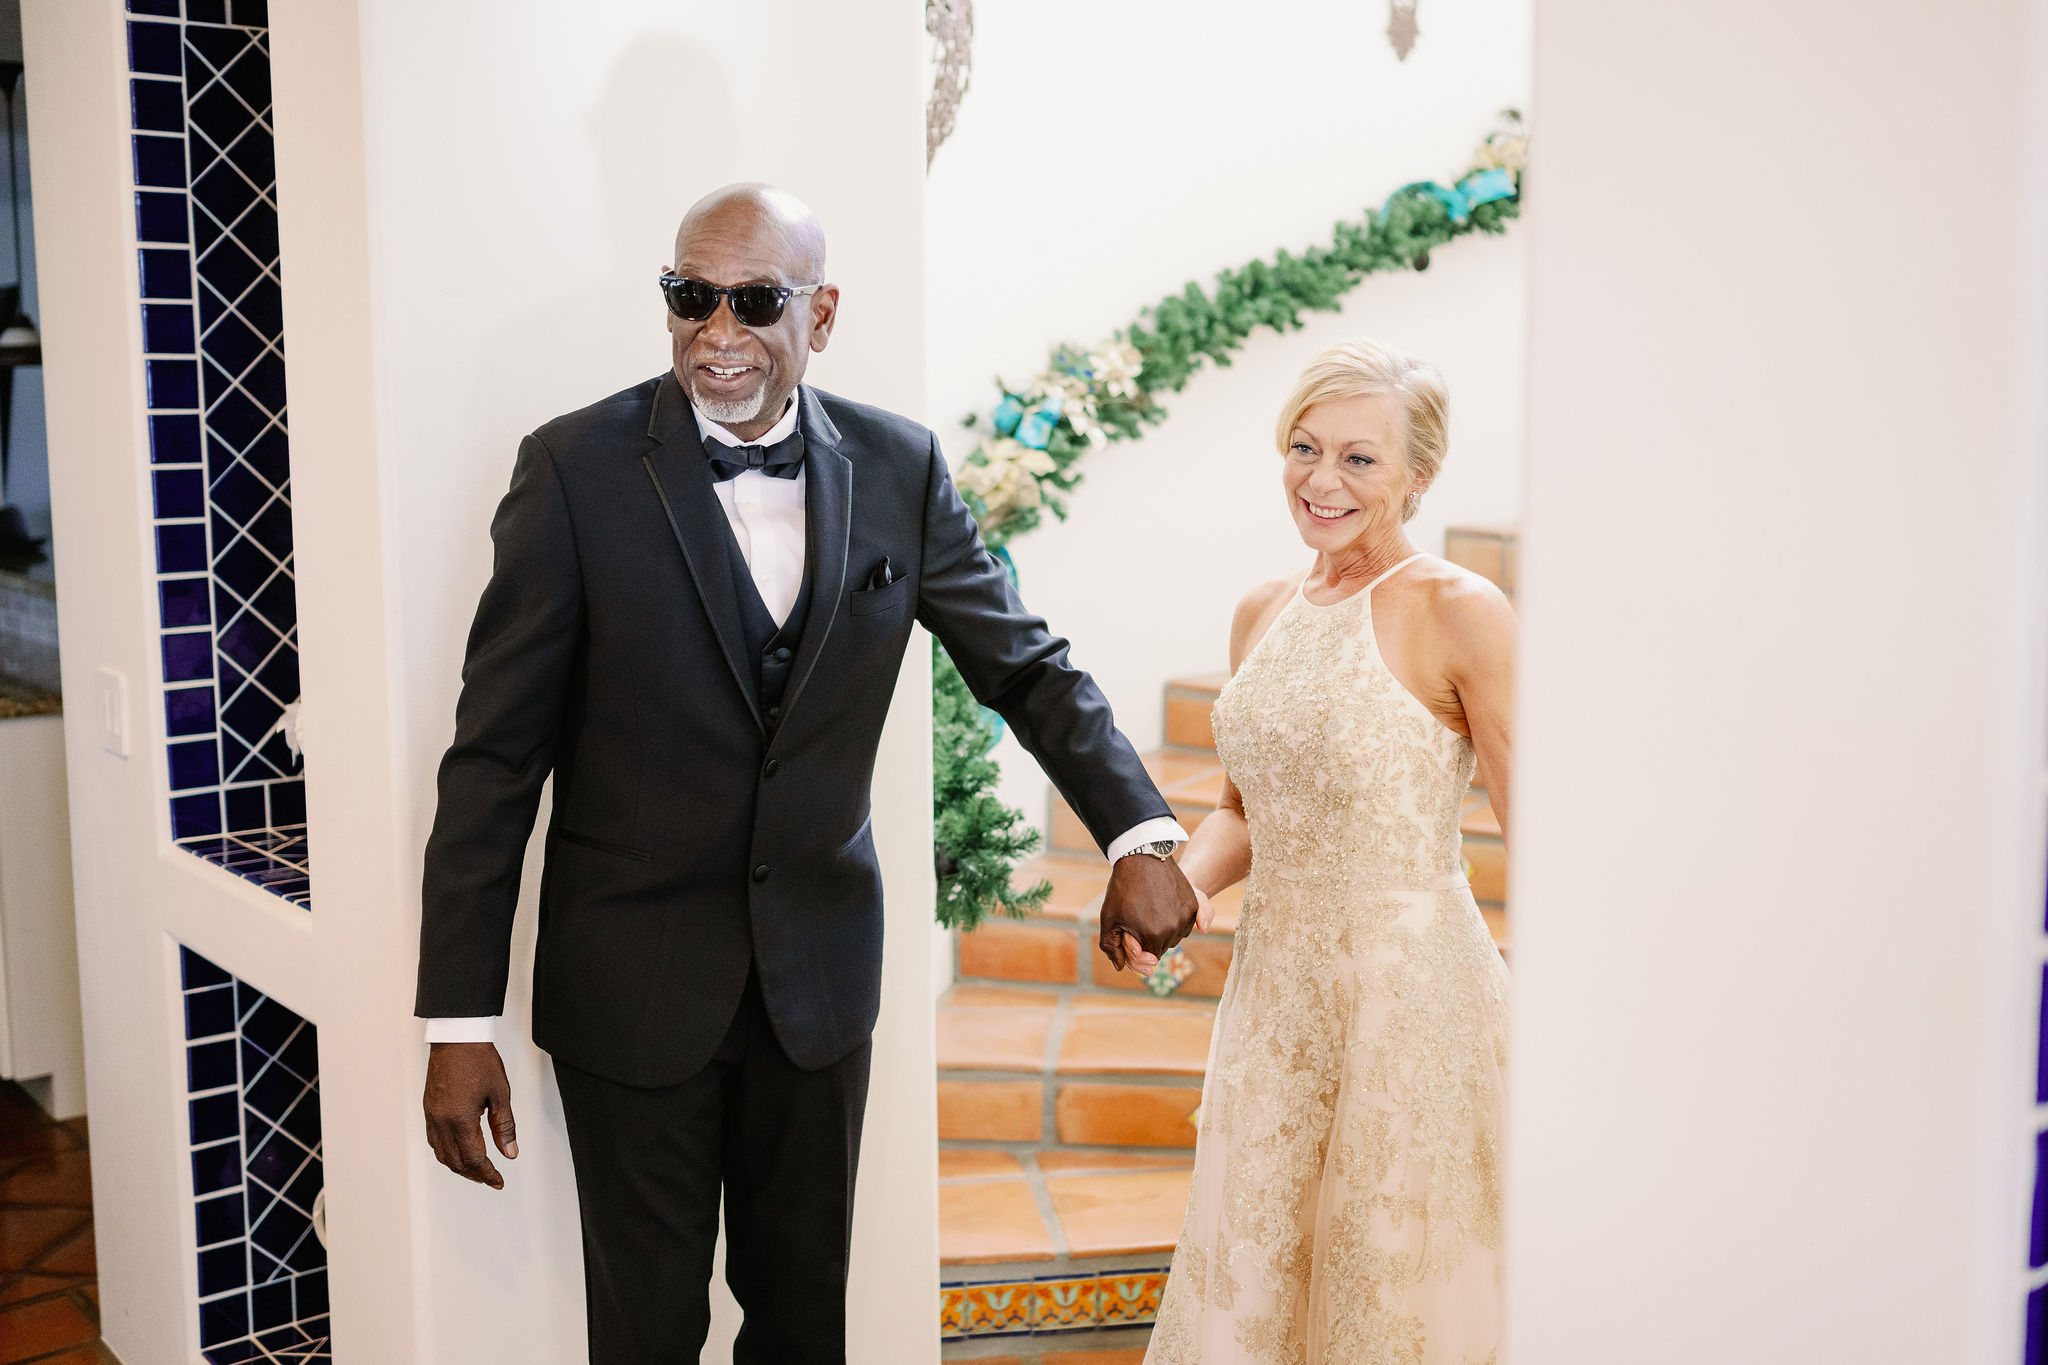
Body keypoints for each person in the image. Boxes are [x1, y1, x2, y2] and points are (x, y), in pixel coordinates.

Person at [413, 183, 1199, 1363]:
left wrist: (1137, 833)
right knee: (644, 1333)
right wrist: (458, 1019)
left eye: (752, 301)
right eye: (690, 295)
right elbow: (492, 761)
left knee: (802, 1326)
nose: (715, 330)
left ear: (819, 314)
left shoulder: (897, 466)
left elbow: (1024, 668)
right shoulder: (574, 470)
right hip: (628, 987)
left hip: (816, 986)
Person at [1144, 339, 1513, 1364]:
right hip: (1275, 1002)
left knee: (1393, 1284)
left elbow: (1537, 820)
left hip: (1410, 1005)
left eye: (1359, 458)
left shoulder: (1460, 610)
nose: (1321, 479)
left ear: (1418, 476)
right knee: (1262, 1273)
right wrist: (1179, 888)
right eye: (1304, 448)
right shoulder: (1260, 611)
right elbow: (1243, 811)